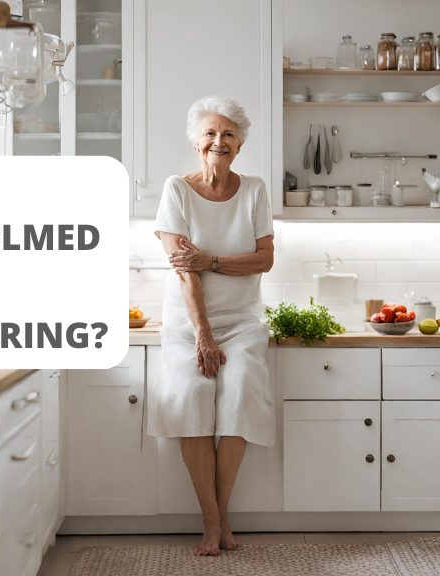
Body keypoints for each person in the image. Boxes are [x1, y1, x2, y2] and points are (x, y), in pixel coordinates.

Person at [148, 95, 275, 556]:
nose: (217, 141)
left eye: (227, 134)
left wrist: (213, 259)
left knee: (240, 392)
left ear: (239, 145)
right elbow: (186, 270)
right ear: (196, 141)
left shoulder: (254, 190)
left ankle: (222, 514)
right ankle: (210, 520)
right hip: (187, 323)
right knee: (190, 398)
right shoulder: (176, 190)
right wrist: (201, 333)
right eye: (209, 133)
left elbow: (265, 259)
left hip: (241, 322)